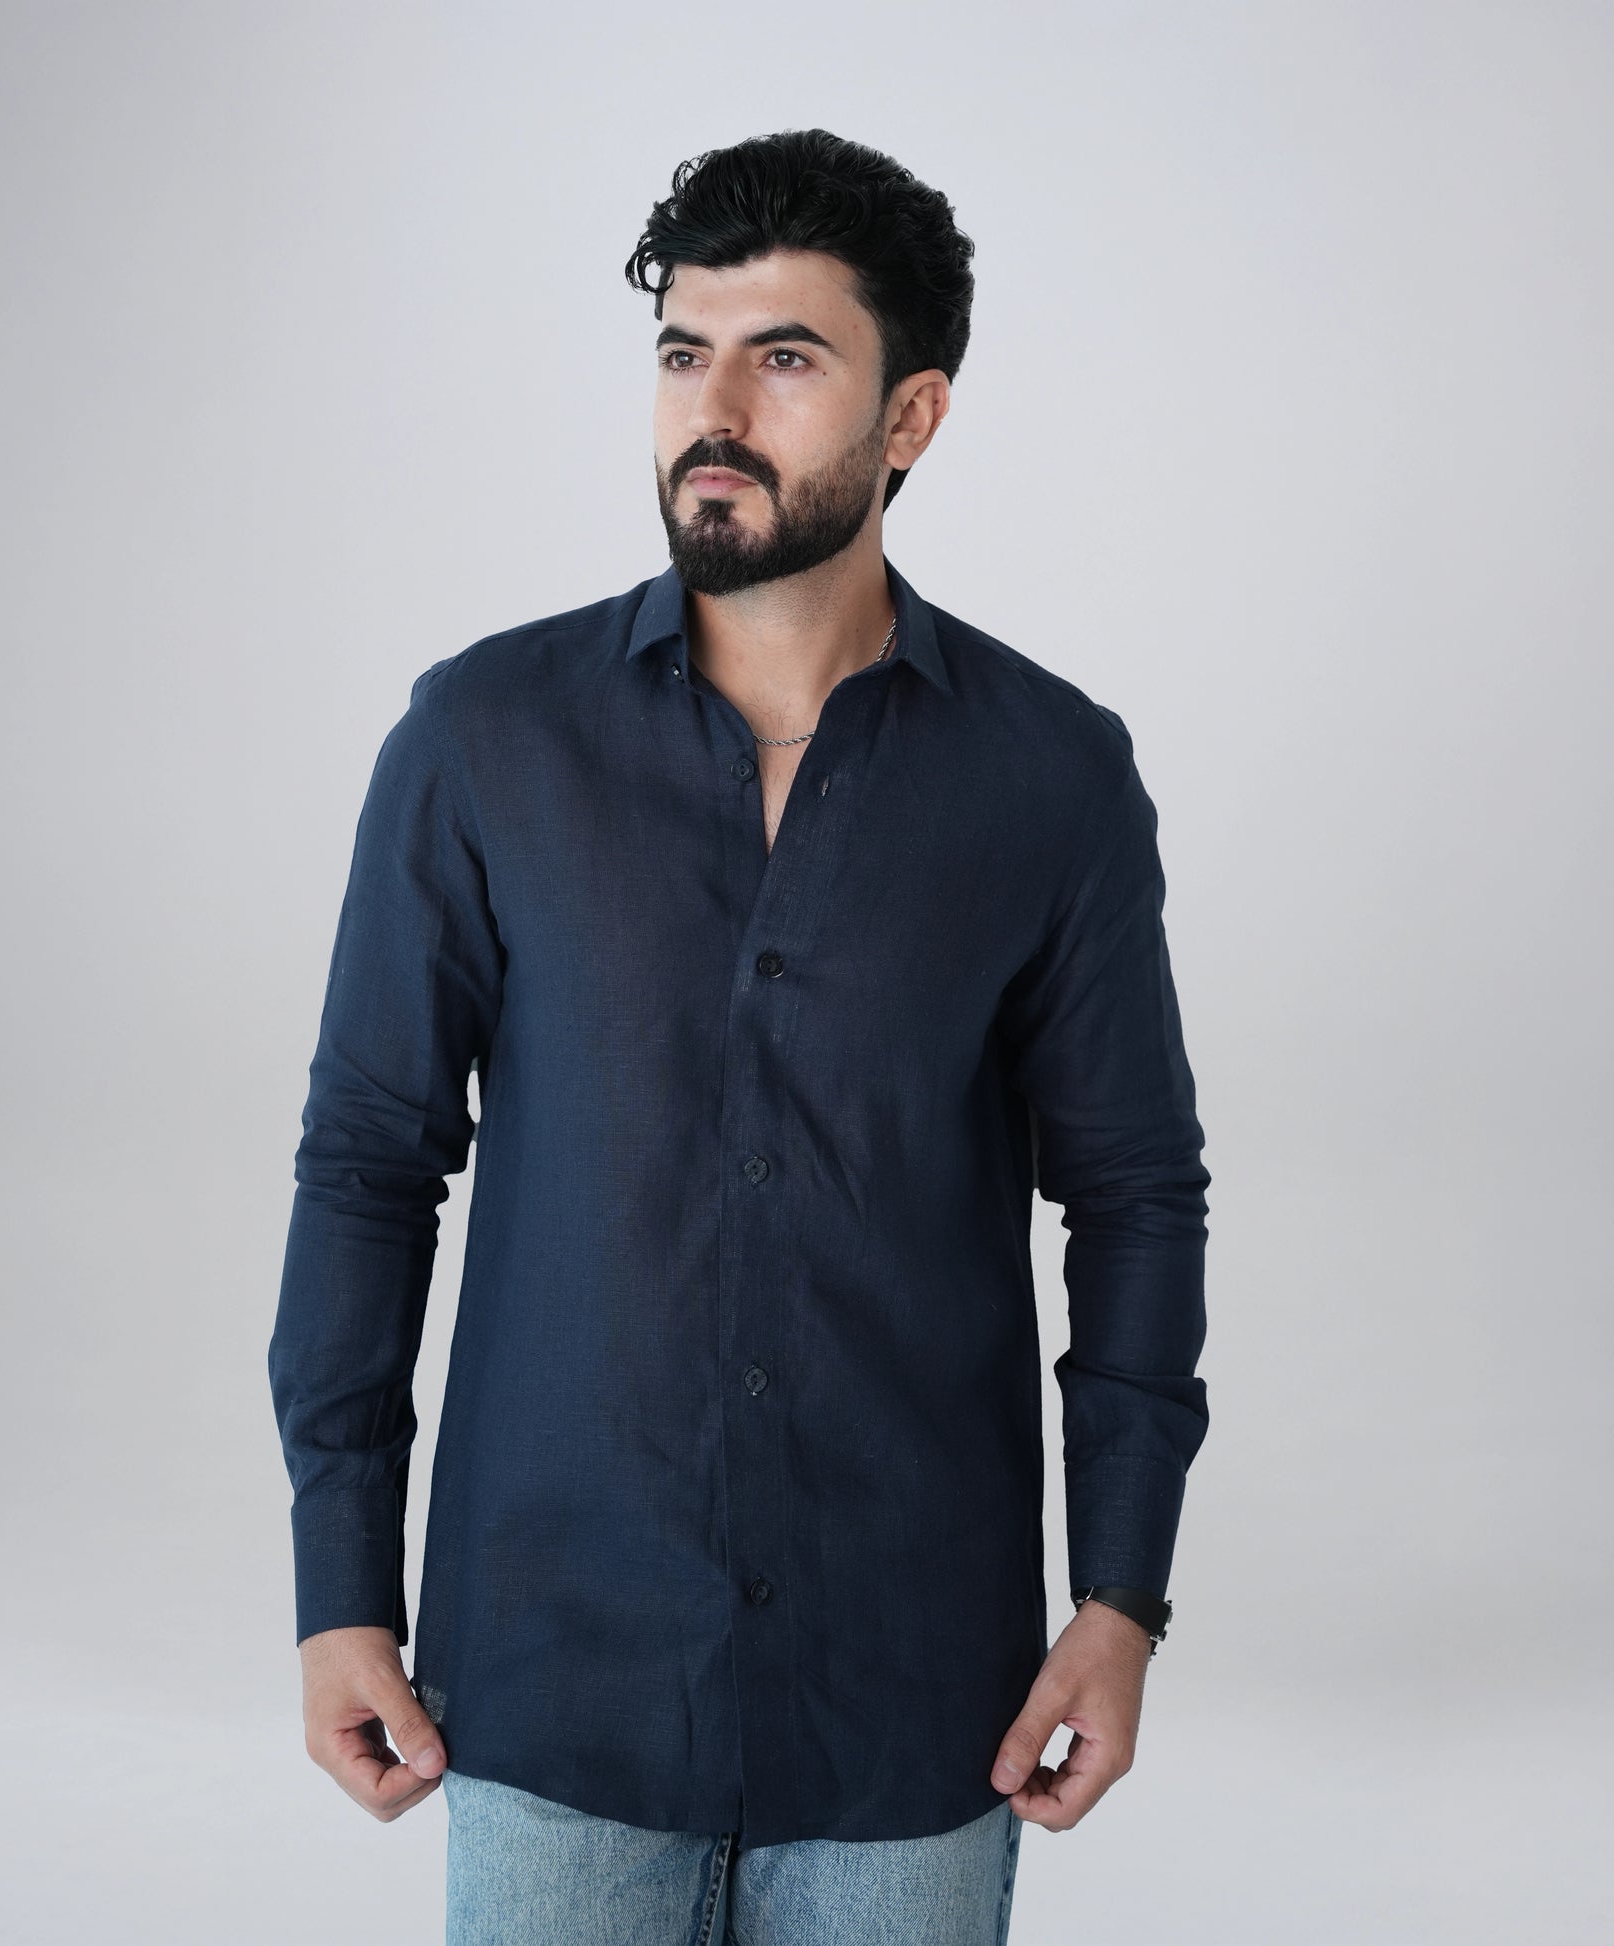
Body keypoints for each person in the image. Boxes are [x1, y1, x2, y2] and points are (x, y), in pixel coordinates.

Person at [267, 126, 1210, 1946]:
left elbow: (1133, 1195)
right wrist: (337, 1587)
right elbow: (369, 1164)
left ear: (910, 414)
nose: (713, 410)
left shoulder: (1050, 775)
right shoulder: (484, 740)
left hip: (914, 1706)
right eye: (681, 352)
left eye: (783, 358)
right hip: (551, 1689)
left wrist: (1118, 1598)